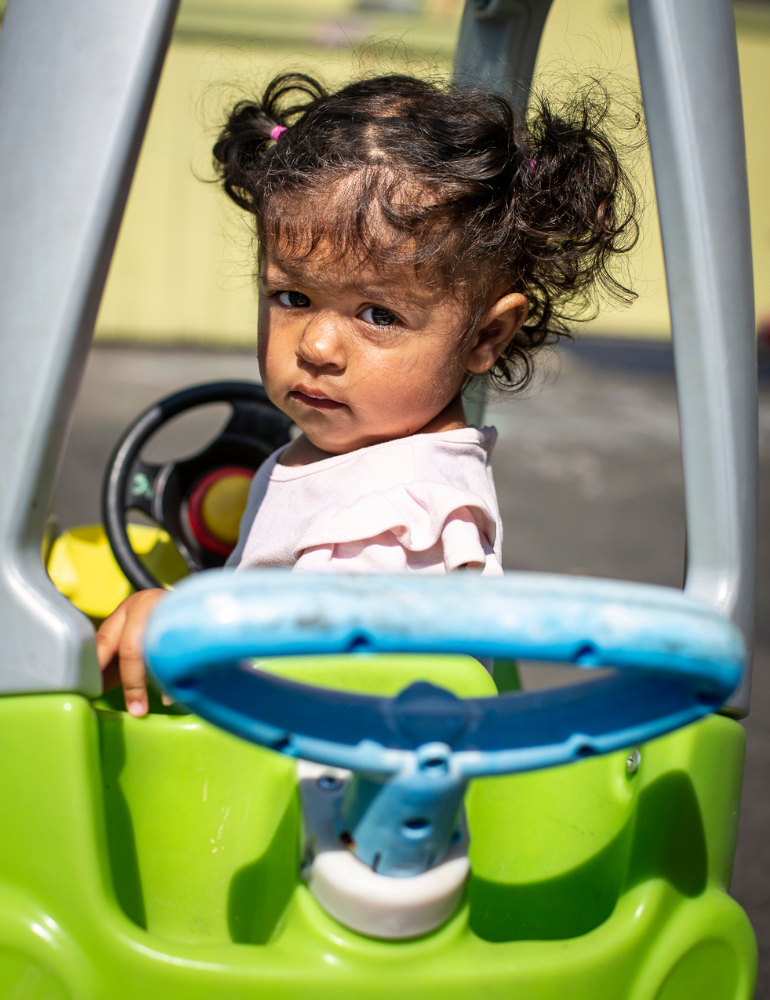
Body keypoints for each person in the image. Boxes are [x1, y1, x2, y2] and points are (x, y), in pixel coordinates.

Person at [96, 72, 638, 716]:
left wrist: (184, 624)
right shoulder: (363, 451)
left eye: (378, 315)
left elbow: (322, 690)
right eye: (292, 298)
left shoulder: (399, 520)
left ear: (485, 335)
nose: (317, 346)